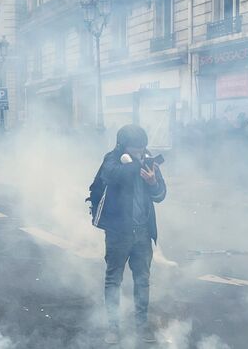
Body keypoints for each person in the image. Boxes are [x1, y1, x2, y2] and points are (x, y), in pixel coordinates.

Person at [94, 124, 167, 345]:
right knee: (113, 280)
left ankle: (141, 326)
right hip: (118, 233)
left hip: (143, 232)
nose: (140, 153)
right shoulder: (112, 159)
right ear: (122, 146)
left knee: (142, 281)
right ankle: (113, 328)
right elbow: (111, 175)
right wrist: (136, 165)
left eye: (143, 148)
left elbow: (161, 195)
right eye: (135, 149)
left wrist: (152, 181)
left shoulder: (148, 161)